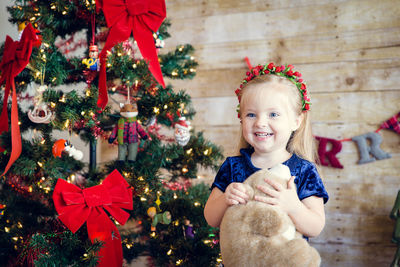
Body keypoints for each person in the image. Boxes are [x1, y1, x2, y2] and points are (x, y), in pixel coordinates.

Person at [204, 62, 329, 238]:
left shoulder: (304, 170)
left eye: (273, 114)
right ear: (241, 119)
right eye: (251, 114)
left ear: (296, 121)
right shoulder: (233, 166)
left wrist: (293, 206)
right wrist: (225, 199)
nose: (260, 123)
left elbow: (315, 227)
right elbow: (211, 218)